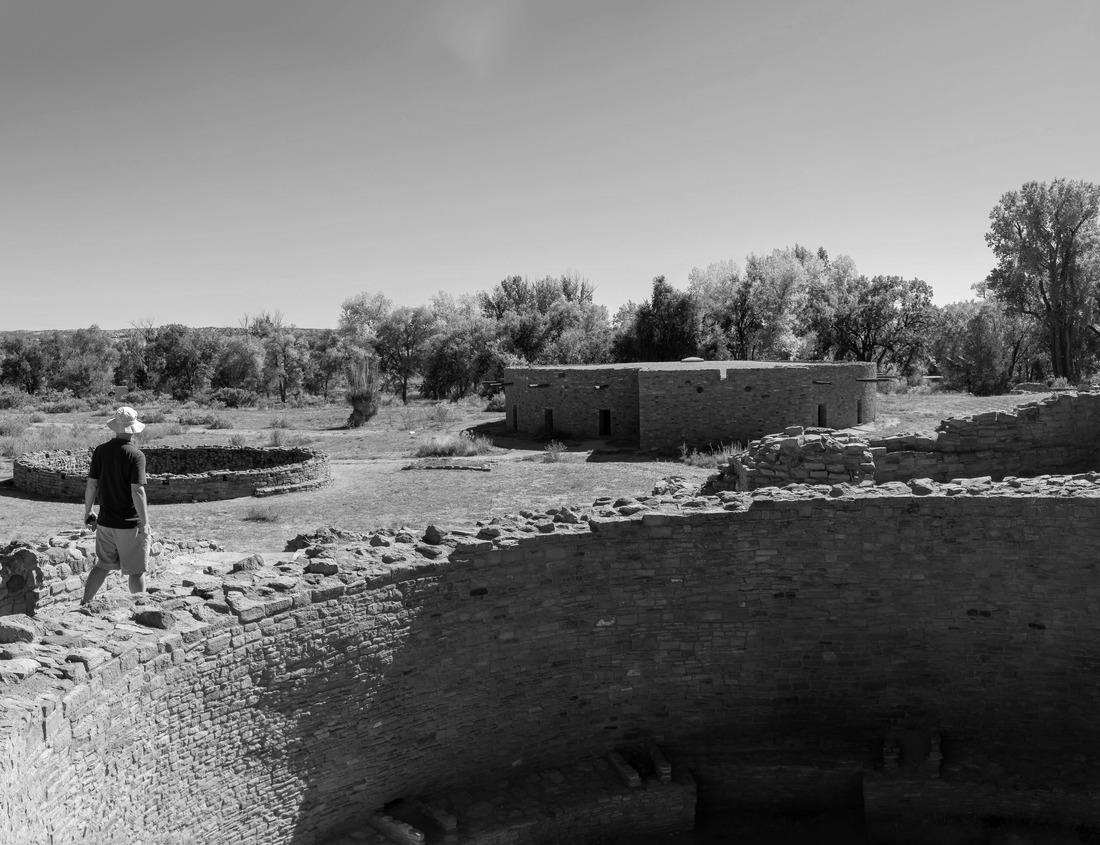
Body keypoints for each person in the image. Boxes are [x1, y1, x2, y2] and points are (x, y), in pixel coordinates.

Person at [81, 406, 153, 604]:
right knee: (136, 571)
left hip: (105, 522)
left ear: (115, 426)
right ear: (134, 428)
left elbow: (92, 484)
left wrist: (88, 511)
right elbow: (137, 490)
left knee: (102, 565)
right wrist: (144, 522)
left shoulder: (101, 451)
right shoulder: (136, 455)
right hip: (129, 524)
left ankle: (84, 603)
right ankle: (141, 608)